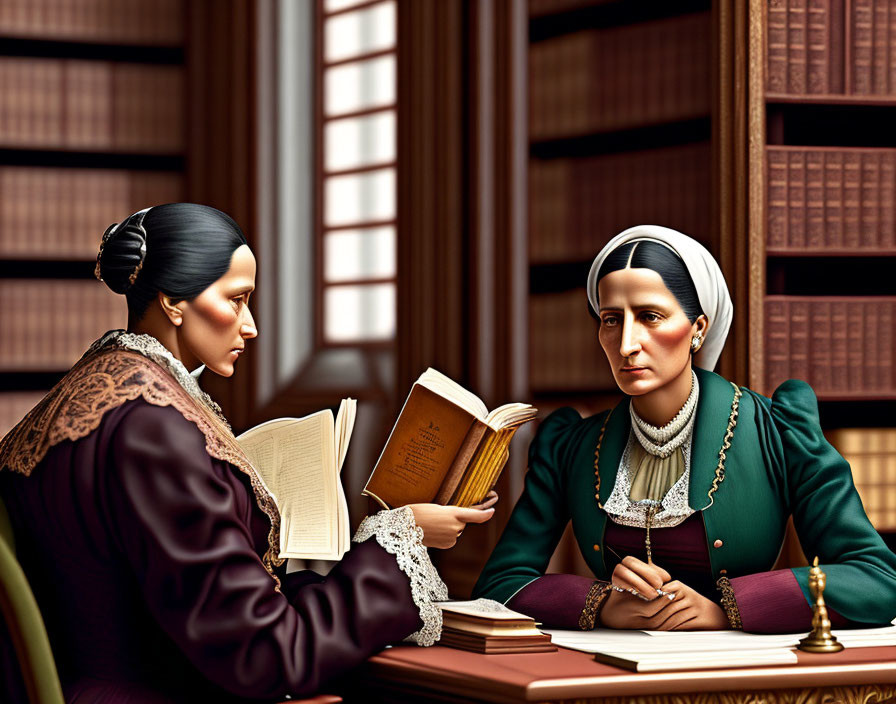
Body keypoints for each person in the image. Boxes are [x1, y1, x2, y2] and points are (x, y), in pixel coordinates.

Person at [0, 203, 497, 703]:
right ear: (174, 303)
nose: (251, 325)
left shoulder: (86, 394)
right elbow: (266, 654)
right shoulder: (155, 429)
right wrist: (400, 542)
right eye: (236, 300)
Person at [473, 224, 896, 633]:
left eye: (650, 317)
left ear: (698, 329)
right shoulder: (570, 444)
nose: (626, 345)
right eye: (611, 319)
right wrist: (601, 604)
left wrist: (728, 609)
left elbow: (877, 580)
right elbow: (500, 585)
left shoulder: (778, 430)